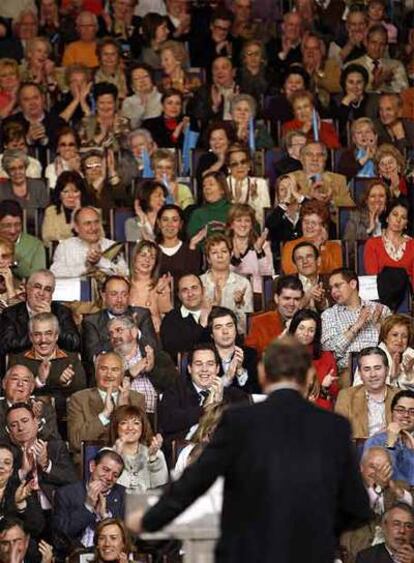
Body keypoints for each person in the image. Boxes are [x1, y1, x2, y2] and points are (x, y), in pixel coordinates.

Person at [134, 336, 371, 562]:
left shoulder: (239, 420)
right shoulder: (334, 427)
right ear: (310, 376)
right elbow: (357, 507)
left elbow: (193, 484)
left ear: (262, 373)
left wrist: (149, 521)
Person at [158, 343, 248, 443]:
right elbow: (168, 423)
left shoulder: (234, 395)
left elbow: (244, 424)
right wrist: (205, 409)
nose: (204, 369)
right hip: (187, 452)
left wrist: (219, 405)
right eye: (198, 364)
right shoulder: (175, 391)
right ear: (189, 368)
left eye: (210, 364)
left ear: (217, 369)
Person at [67, 352, 145, 463]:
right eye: (103, 369)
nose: (109, 375)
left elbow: (144, 440)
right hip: (92, 462)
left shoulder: (136, 399)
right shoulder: (79, 399)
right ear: (95, 372)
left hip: (128, 460)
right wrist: (104, 415)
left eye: (115, 370)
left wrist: (123, 410)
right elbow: (76, 442)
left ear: (122, 374)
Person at [8, 312, 87, 421]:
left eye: (48, 333)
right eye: (37, 334)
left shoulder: (71, 358)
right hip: (27, 420)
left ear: (56, 336)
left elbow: (82, 393)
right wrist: (38, 381)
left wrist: (66, 383)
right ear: (30, 337)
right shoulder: (18, 360)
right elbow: (12, 395)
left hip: (65, 419)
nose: (43, 340)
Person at [341, 448, 412, 562]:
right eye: (373, 467)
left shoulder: (401, 487)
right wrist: (376, 491)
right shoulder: (349, 491)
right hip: (358, 550)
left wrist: (397, 492)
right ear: (361, 467)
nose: (378, 473)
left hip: (397, 554)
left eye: (384, 468)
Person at [82, 275, 158, 377]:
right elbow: (94, 357)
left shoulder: (141, 315)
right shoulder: (91, 322)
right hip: (110, 379)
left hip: (144, 374)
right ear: (103, 296)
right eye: (114, 294)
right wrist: (120, 334)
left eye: (124, 294)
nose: (119, 300)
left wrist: (134, 331)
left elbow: (154, 348)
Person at [322, 269, 390, 380]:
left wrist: (379, 326)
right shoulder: (329, 315)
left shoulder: (380, 309)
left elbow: (394, 344)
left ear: (353, 284)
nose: (333, 291)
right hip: (347, 374)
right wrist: (356, 326)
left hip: (379, 371)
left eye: (337, 286)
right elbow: (330, 353)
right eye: (331, 288)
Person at [53, 449, 126, 550]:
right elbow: (61, 536)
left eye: (115, 475)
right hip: (76, 554)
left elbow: (127, 539)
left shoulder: (124, 495)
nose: (109, 477)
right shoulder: (66, 494)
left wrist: (104, 517)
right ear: (92, 466)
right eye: (105, 469)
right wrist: (87, 507)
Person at [5, 402, 77, 502]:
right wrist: (23, 472)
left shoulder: (55, 447)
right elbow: (4, 489)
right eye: (14, 425)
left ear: (36, 422)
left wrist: (46, 465)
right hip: (23, 511)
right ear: (9, 431)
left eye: (25, 421)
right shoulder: (6, 454)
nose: (21, 428)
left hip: (55, 507)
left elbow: (72, 479)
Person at [107, 315, 178, 415]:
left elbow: (175, 385)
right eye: (111, 333)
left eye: (119, 330)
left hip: (154, 416)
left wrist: (152, 370)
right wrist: (129, 373)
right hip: (121, 415)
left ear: (134, 332)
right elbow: (103, 389)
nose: (114, 336)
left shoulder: (156, 355)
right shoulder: (106, 361)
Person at [0, 269, 80, 356]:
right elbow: (6, 346)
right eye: (37, 287)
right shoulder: (10, 313)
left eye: (47, 289)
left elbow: (75, 344)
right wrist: (37, 329)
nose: (41, 293)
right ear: (27, 288)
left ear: (52, 294)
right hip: (22, 364)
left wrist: (50, 320)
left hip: (56, 363)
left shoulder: (62, 312)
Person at [335, 347, 399, 440]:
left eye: (377, 368)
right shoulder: (346, 396)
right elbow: (339, 434)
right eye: (367, 369)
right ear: (360, 374)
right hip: (359, 451)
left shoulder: (399, 396)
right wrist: (375, 439)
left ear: (387, 370)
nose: (373, 374)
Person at [50, 206, 129, 279]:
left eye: (96, 222)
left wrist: (100, 261)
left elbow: (124, 273)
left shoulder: (112, 246)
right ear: (77, 228)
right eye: (88, 223)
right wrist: (86, 267)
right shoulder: (65, 247)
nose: (93, 227)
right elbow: (55, 273)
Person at [200, 233, 253, 335]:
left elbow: (245, 326)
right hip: (205, 337)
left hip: (235, 337)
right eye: (214, 252)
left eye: (224, 251)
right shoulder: (199, 283)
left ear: (231, 254)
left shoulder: (243, 283)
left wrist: (239, 305)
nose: (220, 256)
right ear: (208, 259)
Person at [110, 405, 168, 494]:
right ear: (116, 427)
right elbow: (109, 487)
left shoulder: (156, 454)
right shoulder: (107, 454)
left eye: (136, 423)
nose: (130, 427)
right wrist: (117, 456)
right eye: (124, 423)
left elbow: (161, 488)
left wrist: (152, 458)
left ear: (143, 427)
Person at [288, 309, 338, 409]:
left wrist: (324, 388)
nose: (305, 333)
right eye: (301, 328)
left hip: (319, 410)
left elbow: (333, 393)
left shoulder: (326, 357)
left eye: (311, 330)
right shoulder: (281, 355)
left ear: (316, 334)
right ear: (294, 329)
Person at [364, 390, 414, 485]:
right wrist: (391, 442)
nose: (406, 415)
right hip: (389, 496)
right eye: (400, 410)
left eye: (412, 412)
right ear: (392, 412)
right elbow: (384, 478)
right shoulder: (375, 442)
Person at [281, 199, 343, 276]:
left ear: (323, 226)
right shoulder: (290, 246)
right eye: (306, 222)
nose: (309, 226)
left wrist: (321, 249)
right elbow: (292, 273)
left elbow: (336, 275)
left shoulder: (334, 247)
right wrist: (315, 248)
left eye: (313, 223)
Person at [0, 364, 60, 442]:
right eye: (15, 379)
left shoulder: (45, 409)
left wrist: (36, 422)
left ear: (31, 388)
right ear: (4, 384)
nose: (20, 384)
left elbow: (55, 440)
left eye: (25, 380)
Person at [226, 203, 274, 296]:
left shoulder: (263, 245)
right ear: (231, 224)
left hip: (257, 293)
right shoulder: (224, 246)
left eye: (247, 221)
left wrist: (259, 252)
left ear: (252, 224)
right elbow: (223, 274)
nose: (243, 225)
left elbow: (268, 273)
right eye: (239, 220)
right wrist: (235, 259)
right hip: (231, 293)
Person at [288, 141, 354, 208]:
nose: (315, 159)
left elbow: (349, 207)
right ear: (301, 158)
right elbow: (283, 208)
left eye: (319, 155)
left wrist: (331, 200)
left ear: (325, 159)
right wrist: (308, 197)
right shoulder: (289, 179)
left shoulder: (339, 180)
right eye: (310, 154)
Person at [209, 306, 259, 393]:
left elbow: (254, 392)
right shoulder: (204, 357)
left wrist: (240, 371)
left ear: (236, 330)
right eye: (218, 327)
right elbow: (201, 394)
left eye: (229, 326)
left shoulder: (251, 355)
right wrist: (227, 378)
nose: (225, 331)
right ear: (212, 335)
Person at [160, 273, 211, 359]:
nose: (190, 294)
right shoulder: (170, 319)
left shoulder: (217, 313)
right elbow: (174, 350)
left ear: (203, 290)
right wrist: (201, 326)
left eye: (194, 288)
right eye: (184, 290)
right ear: (179, 295)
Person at [364, 200, 414, 287]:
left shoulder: (412, 245)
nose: (398, 220)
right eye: (395, 214)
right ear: (387, 218)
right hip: (380, 295)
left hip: (407, 297)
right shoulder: (372, 244)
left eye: (403, 217)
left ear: (406, 224)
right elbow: (372, 279)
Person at [128, 241, 173, 334]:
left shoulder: (161, 284)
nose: (147, 260)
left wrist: (162, 293)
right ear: (134, 257)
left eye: (152, 257)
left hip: (153, 337)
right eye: (143, 255)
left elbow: (168, 317)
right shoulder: (124, 283)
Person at [350, 25, 409, 94]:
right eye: (373, 43)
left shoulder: (396, 66)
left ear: (386, 46)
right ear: (366, 43)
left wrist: (389, 83)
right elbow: (352, 92)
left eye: (382, 44)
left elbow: (405, 92)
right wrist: (376, 83)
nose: (377, 48)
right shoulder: (353, 66)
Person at [226, 143, 271, 227]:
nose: (240, 166)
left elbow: (263, 218)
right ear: (229, 168)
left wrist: (254, 198)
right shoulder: (222, 185)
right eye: (234, 164)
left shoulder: (260, 184)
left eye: (243, 162)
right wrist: (236, 201)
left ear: (249, 165)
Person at [0, 150, 49, 226]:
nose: (17, 172)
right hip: (9, 232)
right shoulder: (1, 189)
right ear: (7, 171)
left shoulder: (39, 186)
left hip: (38, 231)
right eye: (13, 169)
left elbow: (46, 215)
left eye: (20, 167)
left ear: (25, 167)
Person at [78, 82, 129, 153]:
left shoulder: (124, 122)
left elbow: (128, 148)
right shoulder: (86, 122)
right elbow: (81, 150)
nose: (106, 107)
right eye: (101, 103)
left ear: (116, 103)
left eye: (109, 103)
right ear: (95, 104)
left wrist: (116, 131)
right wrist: (101, 135)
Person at [41, 171, 89, 246]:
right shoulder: (51, 211)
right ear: (59, 194)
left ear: (81, 193)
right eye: (65, 192)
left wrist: (77, 214)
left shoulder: (92, 212)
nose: (71, 196)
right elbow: (47, 238)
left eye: (75, 191)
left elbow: (99, 238)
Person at [155, 204, 202, 281]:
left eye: (175, 220)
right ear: (159, 223)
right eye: (165, 220)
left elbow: (194, 279)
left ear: (181, 224)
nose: (170, 224)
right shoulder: (153, 250)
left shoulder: (191, 249)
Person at [187, 172, 232, 240]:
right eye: (204, 186)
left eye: (211, 184)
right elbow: (193, 240)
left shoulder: (235, 211)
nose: (207, 188)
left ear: (222, 189)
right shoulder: (198, 214)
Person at [344, 180, 389, 245]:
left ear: (386, 200)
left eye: (381, 196)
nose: (377, 200)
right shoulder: (355, 218)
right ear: (366, 200)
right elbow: (348, 248)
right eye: (373, 196)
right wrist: (369, 230)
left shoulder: (392, 218)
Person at [291, 241, 330, 312]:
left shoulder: (330, 280)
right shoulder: (284, 283)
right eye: (300, 258)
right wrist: (307, 297)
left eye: (309, 256)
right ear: (294, 265)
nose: (305, 261)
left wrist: (322, 304)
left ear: (318, 261)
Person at [121, 64, 162, 129]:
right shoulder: (128, 102)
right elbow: (130, 128)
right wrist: (139, 110)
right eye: (137, 79)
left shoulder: (163, 98)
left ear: (152, 80)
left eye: (145, 77)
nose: (142, 81)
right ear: (132, 85)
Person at [0, 236, 25, 311]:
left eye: (5, 256)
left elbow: (16, 317)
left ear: (12, 259)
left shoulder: (21, 287)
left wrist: (10, 286)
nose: (0, 261)